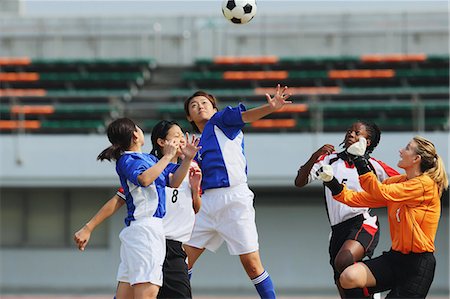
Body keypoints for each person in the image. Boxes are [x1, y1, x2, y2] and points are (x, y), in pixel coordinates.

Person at [182, 84, 291, 299]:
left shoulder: (221, 121)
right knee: (181, 263)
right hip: (205, 203)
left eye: (204, 103)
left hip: (234, 198)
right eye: (194, 105)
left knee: (252, 265)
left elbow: (247, 116)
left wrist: (270, 108)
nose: (199, 106)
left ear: (214, 108)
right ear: (189, 117)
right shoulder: (194, 144)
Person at [74, 120, 202, 299]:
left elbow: (174, 182)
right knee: (148, 293)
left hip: (144, 231)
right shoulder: (129, 159)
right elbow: (143, 179)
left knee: (126, 294)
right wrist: (167, 157)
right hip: (146, 230)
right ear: (135, 135)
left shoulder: (150, 160)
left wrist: (187, 159)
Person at [317, 135, 448, 298]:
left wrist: (360, 159)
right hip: (395, 259)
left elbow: (380, 191)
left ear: (416, 158)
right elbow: (362, 197)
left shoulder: (425, 185)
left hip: (417, 266)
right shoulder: (399, 182)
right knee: (348, 277)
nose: (400, 151)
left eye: (407, 148)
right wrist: (332, 183)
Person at [294, 121, 399, 298]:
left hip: (362, 223)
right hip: (337, 229)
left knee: (343, 260)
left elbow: (403, 182)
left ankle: (374, 284)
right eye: (349, 131)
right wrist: (315, 156)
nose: (351, 134)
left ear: (368, 141)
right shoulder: (329, 159)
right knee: (342, 278)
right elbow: (299, 182)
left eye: (357, 133)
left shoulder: (374, 165)